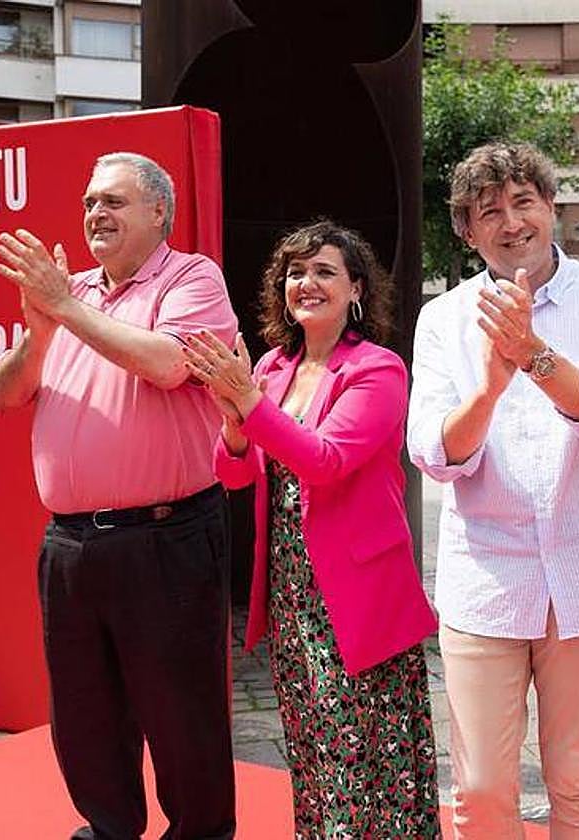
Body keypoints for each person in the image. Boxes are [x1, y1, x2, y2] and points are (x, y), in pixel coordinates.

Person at [407, 141, 579, 839]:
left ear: (552, 207)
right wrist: (489, 390)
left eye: (524, 202)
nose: (511, 222)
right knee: (480, 786)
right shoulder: (444, 318)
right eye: (488, 211)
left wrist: (533, 356)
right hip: (486, 575)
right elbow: (432, 451)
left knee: (578, 775)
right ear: (467, 231)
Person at [0, 152, 239, 840]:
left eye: (113, 201)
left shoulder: (190, 277)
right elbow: (5, 394)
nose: (95, 213)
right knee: (85, 714)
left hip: (166, 536)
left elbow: (169, 363)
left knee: (182, 714)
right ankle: (107, 830)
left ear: (159, 211)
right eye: (89, 202)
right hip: (71, 543)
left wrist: (65, 309)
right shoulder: (70, 293)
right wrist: (41, 333)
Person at [184, 220, 440, 839]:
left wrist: (249, 404)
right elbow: (235, 475)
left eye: (325, 271)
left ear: (357, 289)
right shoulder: (272, 367)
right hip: (293, 594)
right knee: (313, 750)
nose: (307, 283)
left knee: (366, 755)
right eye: (295, 272)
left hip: (358, 595)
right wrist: (235, 425)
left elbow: (325, 461)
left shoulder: (377, 368)